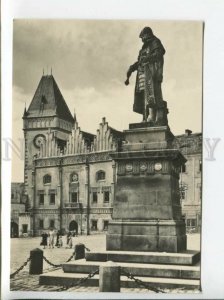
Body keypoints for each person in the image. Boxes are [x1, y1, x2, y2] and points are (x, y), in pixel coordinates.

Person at [125, 27, 166, 124]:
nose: (142, 39)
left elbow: (159, 54)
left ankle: (156, 117)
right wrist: (132, 68)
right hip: (142, 76)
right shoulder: (143, 48)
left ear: (148, 34)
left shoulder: (155, 42)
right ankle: (146, 116)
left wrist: (147, 58)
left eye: (143, 36)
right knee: (144, 96)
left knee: (154, 94)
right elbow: (140, 61)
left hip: (152, 74)